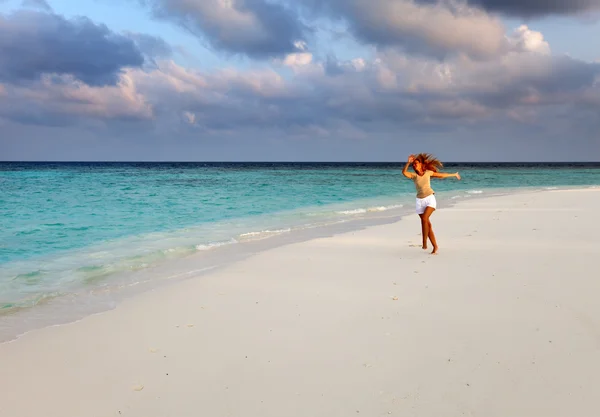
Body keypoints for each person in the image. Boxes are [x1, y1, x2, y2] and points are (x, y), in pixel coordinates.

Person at [402, 153, 461, 254]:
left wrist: (454, 175)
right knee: (427, 225)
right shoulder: (414, 175)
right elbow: (404, 172)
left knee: (424, 219)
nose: (415, 165)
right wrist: (408, 163)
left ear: (421, 164)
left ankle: (424, 242)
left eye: (416, 163)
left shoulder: (428, 172)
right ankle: (435, 246)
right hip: (419, 201)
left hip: (430, 198)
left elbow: (441, 175)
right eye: (414, 164)